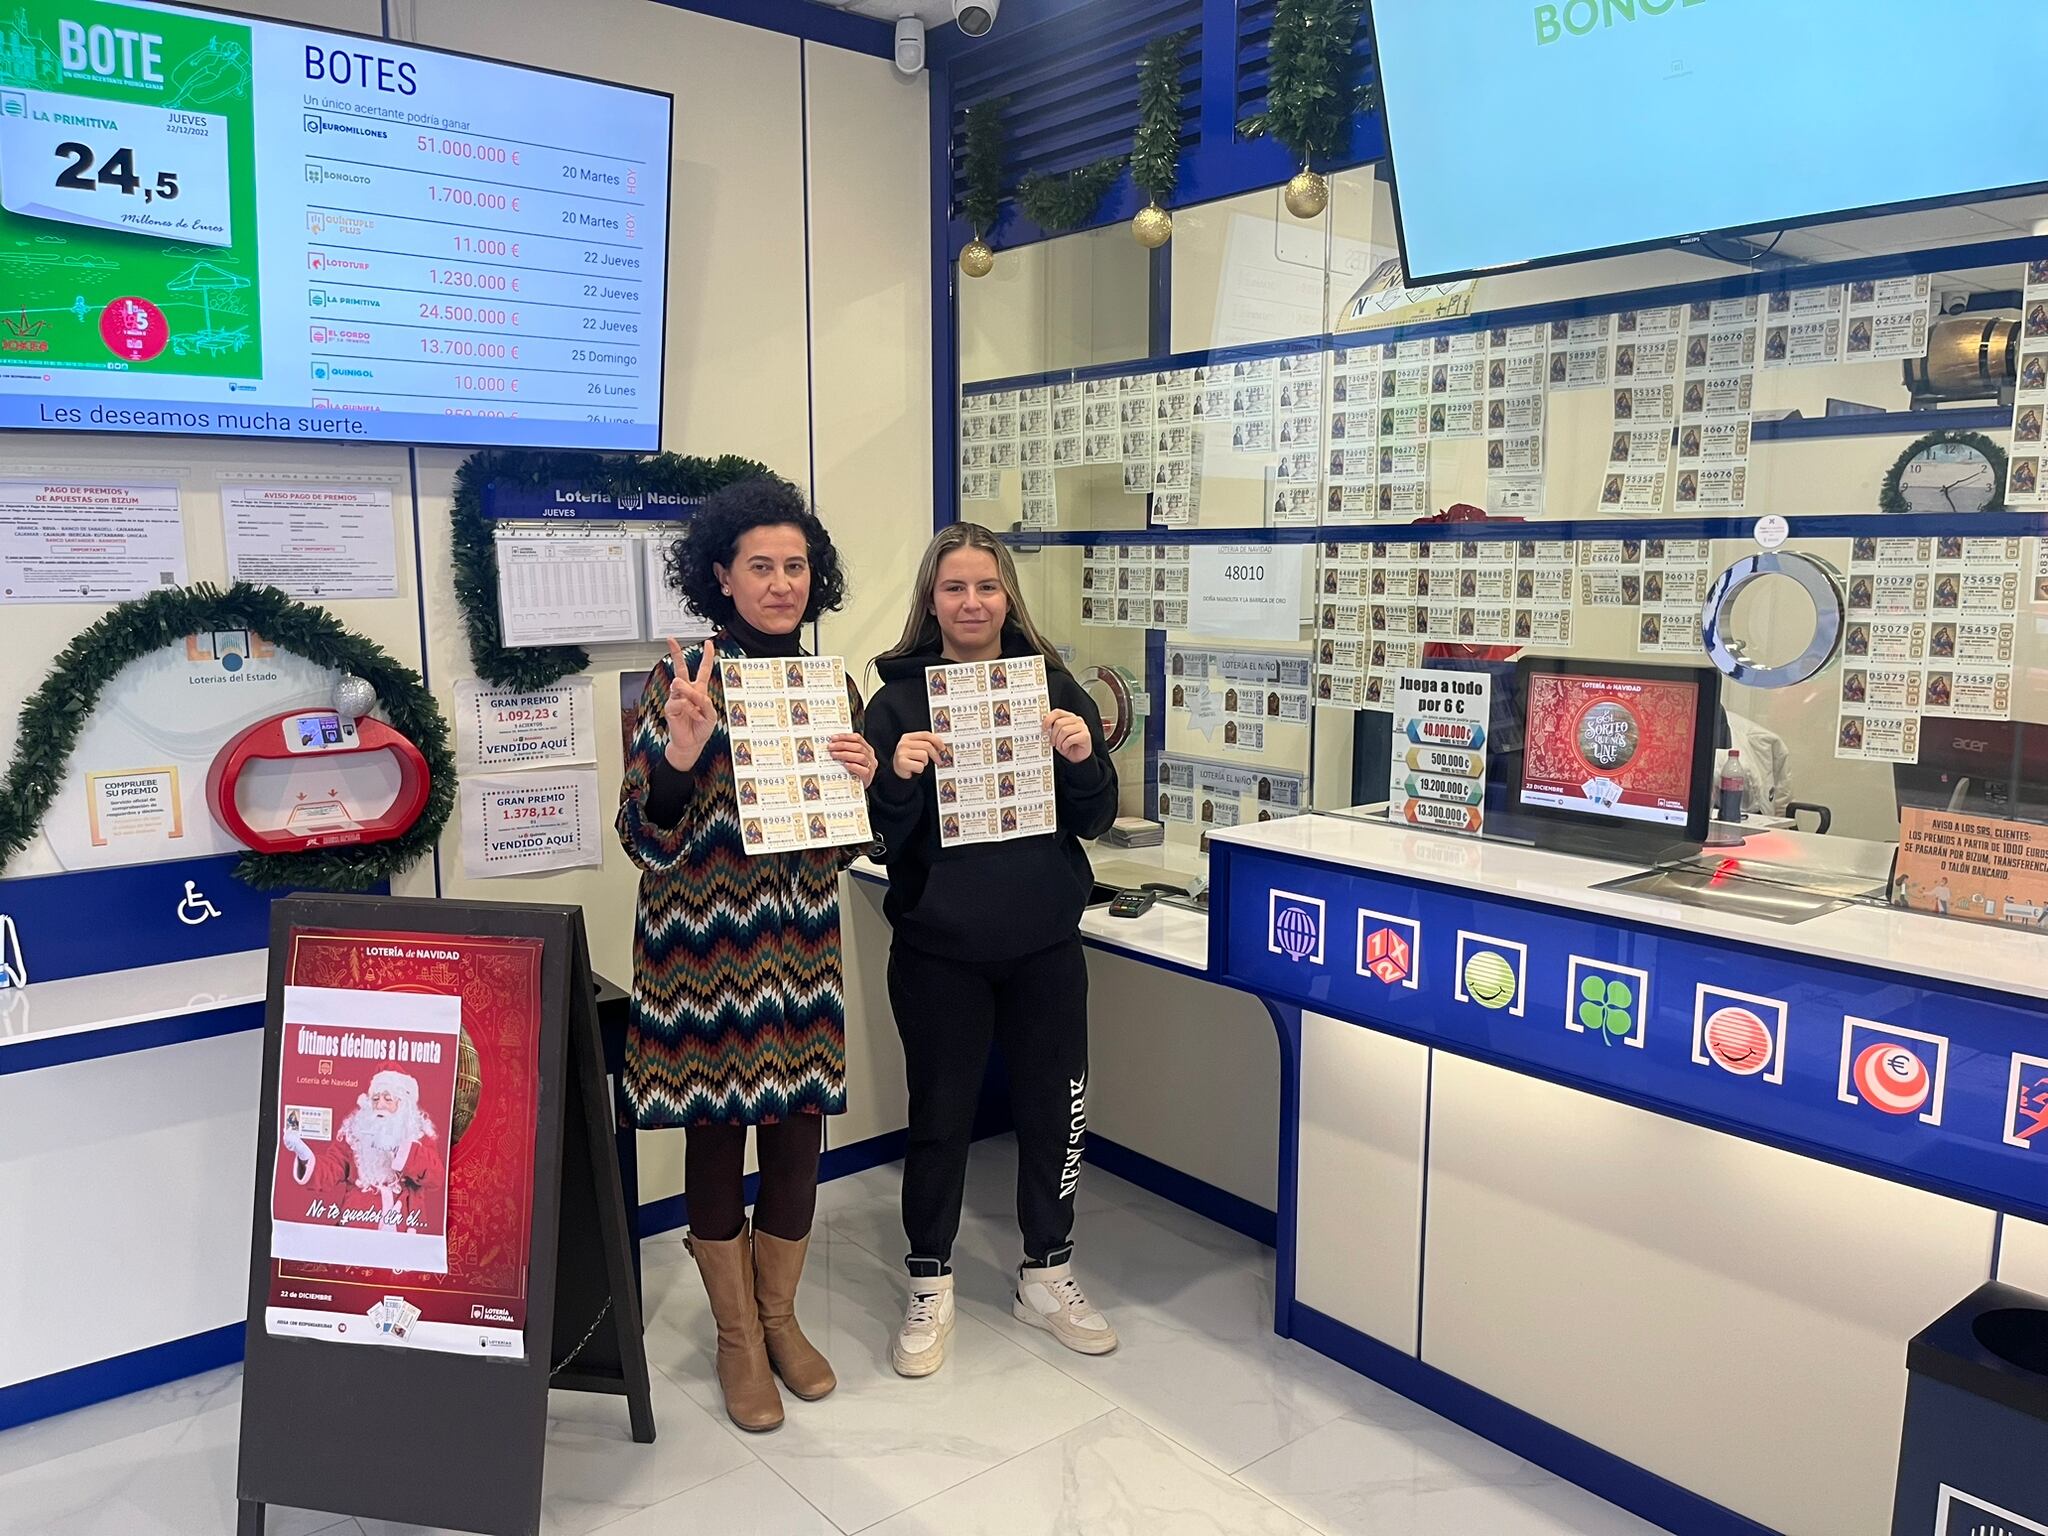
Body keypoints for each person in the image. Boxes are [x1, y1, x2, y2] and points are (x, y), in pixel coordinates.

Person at [616, 476, 879, 1432]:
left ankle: (780, 1317)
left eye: (796, 566)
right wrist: (681, 756)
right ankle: (736, 1338)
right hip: (702, 952)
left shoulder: (831, 687)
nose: (780, 583)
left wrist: (866, 786)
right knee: (718, 1133)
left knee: (799, 1133)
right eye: (760, 566)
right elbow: (643, 838)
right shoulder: (681, 680)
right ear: (721, 576)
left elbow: (846, 844)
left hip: (799, 942)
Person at [862, 521, 1120, 1379]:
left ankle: (1048, 1272)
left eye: (987, 586)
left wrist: (1083, 758)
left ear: (1009, 595)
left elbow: (1095, 817)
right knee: (941, 1117)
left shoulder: (1051, 686)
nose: (972, 603)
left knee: (1057, 1110)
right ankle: (929, 1280)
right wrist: (896, 776)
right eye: (953, 588)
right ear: (930, 601)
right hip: (941, 948)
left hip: (1045, 942)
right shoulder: (897, 701)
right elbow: (879, 839)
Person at [280, 1069, 446, 1231]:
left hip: (403, 1230)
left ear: (402, 1104)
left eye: (388, 1099)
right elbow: (330, 1169)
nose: (380, 1105)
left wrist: (398, 1147)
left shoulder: (418, 1134)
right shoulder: (355, 1134)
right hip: (359, 1228)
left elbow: (435, 1178)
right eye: (375, 1099)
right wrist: (305, 1156)